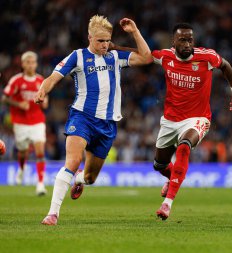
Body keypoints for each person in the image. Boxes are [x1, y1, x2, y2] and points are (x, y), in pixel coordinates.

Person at [35, 15, 152, 225]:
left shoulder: (115, 57)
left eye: (107, 40)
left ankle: (79, 180)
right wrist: (43, 91)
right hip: (82, 117)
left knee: (90, 178)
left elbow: (146, 57)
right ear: (89, 37)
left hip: (107, 124)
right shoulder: (77, 56)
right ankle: (52, 213)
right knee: (72, 160)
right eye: (100, 41)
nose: (105, 45)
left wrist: (134, 32)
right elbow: (53, 77)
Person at [151, 23, 232, 220]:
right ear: (173, 42)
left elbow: (225, 66)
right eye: (182, 40)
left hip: (197, 118)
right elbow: (143, 54)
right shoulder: (165, 56)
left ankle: (167, 204)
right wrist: (117, 48)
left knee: (184, 145)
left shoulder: (206, 57)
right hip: (169, 120)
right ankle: (172, 177)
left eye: (190, 40)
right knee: (159, 164)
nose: (187, 44)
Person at [2, 51, 48, 196]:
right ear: (22, 64)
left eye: (32, 62)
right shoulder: (16, 80)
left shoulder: (41, 80)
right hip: (20, 122)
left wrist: (45, 102)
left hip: (37, 120)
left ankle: (40, 184)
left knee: (40, 151)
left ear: (36, 64)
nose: (30, 64)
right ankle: (21, 169)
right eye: (27, 62)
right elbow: (5, 98)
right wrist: (18, 104)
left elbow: (45, 103)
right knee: (23, 151)